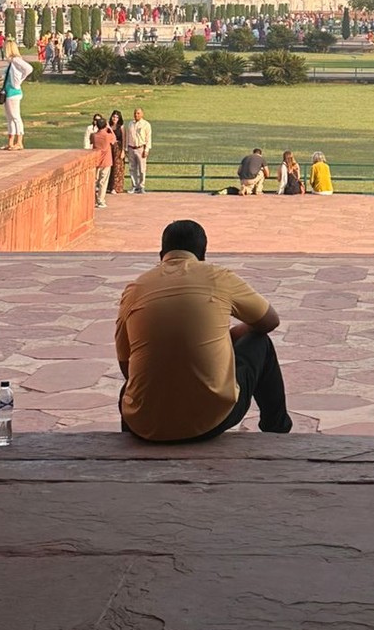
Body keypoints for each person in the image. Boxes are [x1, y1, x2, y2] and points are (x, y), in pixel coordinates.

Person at [115, 219, 292, 442]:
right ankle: (278, 430)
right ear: (203, 255)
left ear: (162, 254)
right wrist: (233, 335)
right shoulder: (218, 277)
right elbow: (269, 321)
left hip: (145, 423)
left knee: (130, 390)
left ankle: (130, 455)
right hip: (211, 419)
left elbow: (126, 366)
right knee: (260, 342)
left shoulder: (135, 288)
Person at [0, 40, 33, 150]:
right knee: (10, 118)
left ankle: (19, 142)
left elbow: (29, 68)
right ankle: (10, 142)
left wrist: (20, 80)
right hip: (8, 92)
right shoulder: (10, 62)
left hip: (14, 93)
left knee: (15, 117)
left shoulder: (16, 60)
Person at [89, 113, 116, 209]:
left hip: (96, 161)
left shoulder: (94, 135)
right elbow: (114, 139)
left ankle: (93, 199)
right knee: (103, 182)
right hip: (106, 161)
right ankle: (100, 200)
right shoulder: (107, 136)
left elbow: (91, 141)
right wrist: (110, 129)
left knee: (94, 181)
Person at [125, 106, 152, 193]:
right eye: (135, 113)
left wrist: (146, 149)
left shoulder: (146, 125)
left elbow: (148, 138)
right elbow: (127, 136)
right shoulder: (130, 124)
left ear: (142, 114)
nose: (136, 115)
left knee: (142, 169)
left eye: (138, 113)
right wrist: (126, 148)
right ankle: (134, 186)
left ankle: (141, 186)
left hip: (140, 148)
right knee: (132, 168)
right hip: (131, 148)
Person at [107, 110, 127, 195]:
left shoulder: (121, 127)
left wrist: (123, 151)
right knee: (109, 167)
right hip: (109, 148)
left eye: (117, 117)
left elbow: (123, 139)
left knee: (117, 168)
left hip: (118, 148)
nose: (115, 118)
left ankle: (116, 187)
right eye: (114, 117)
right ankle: (109, 186)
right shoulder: (109, 127)